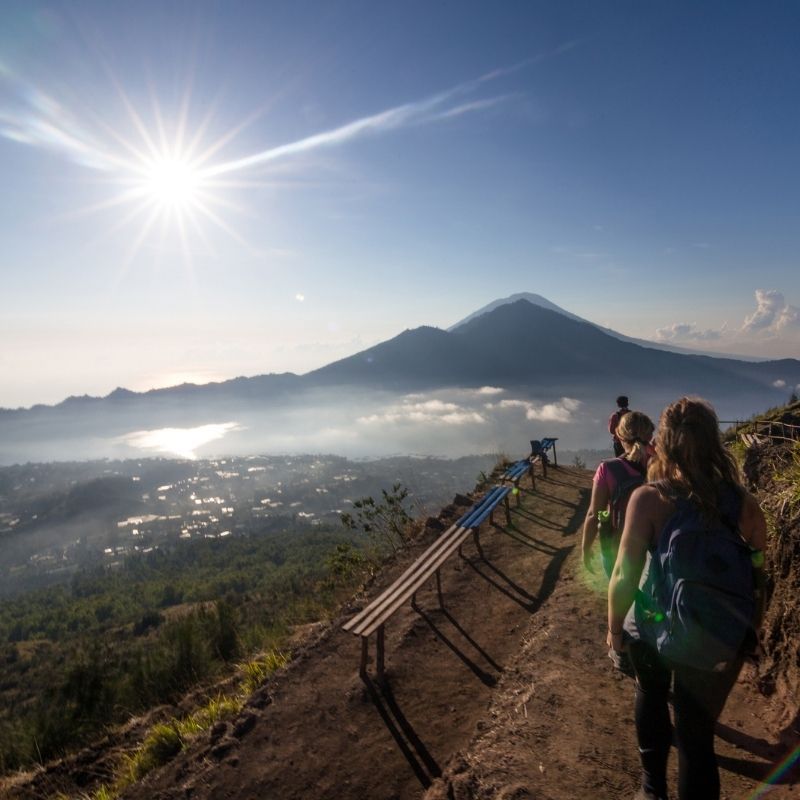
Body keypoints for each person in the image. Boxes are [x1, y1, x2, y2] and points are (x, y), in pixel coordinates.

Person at [607, 397, 767, 800]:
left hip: (652, 627)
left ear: (661, 445)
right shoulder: (747, 507)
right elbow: (759, 577)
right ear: (714, 442)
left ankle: (652, 789)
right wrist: (747, 631)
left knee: (651, 694)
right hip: (715, 637)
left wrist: (614, 632)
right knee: (697, 738)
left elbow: (625, 574)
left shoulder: (648, 499)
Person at [582, 410, 655, 578]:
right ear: (649, 435)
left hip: (618, 547)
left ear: (620, 437)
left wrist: (586, 548)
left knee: (620, 594)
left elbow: (594, 513)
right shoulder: (662, 466)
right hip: (654, 546)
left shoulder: (608, 469)